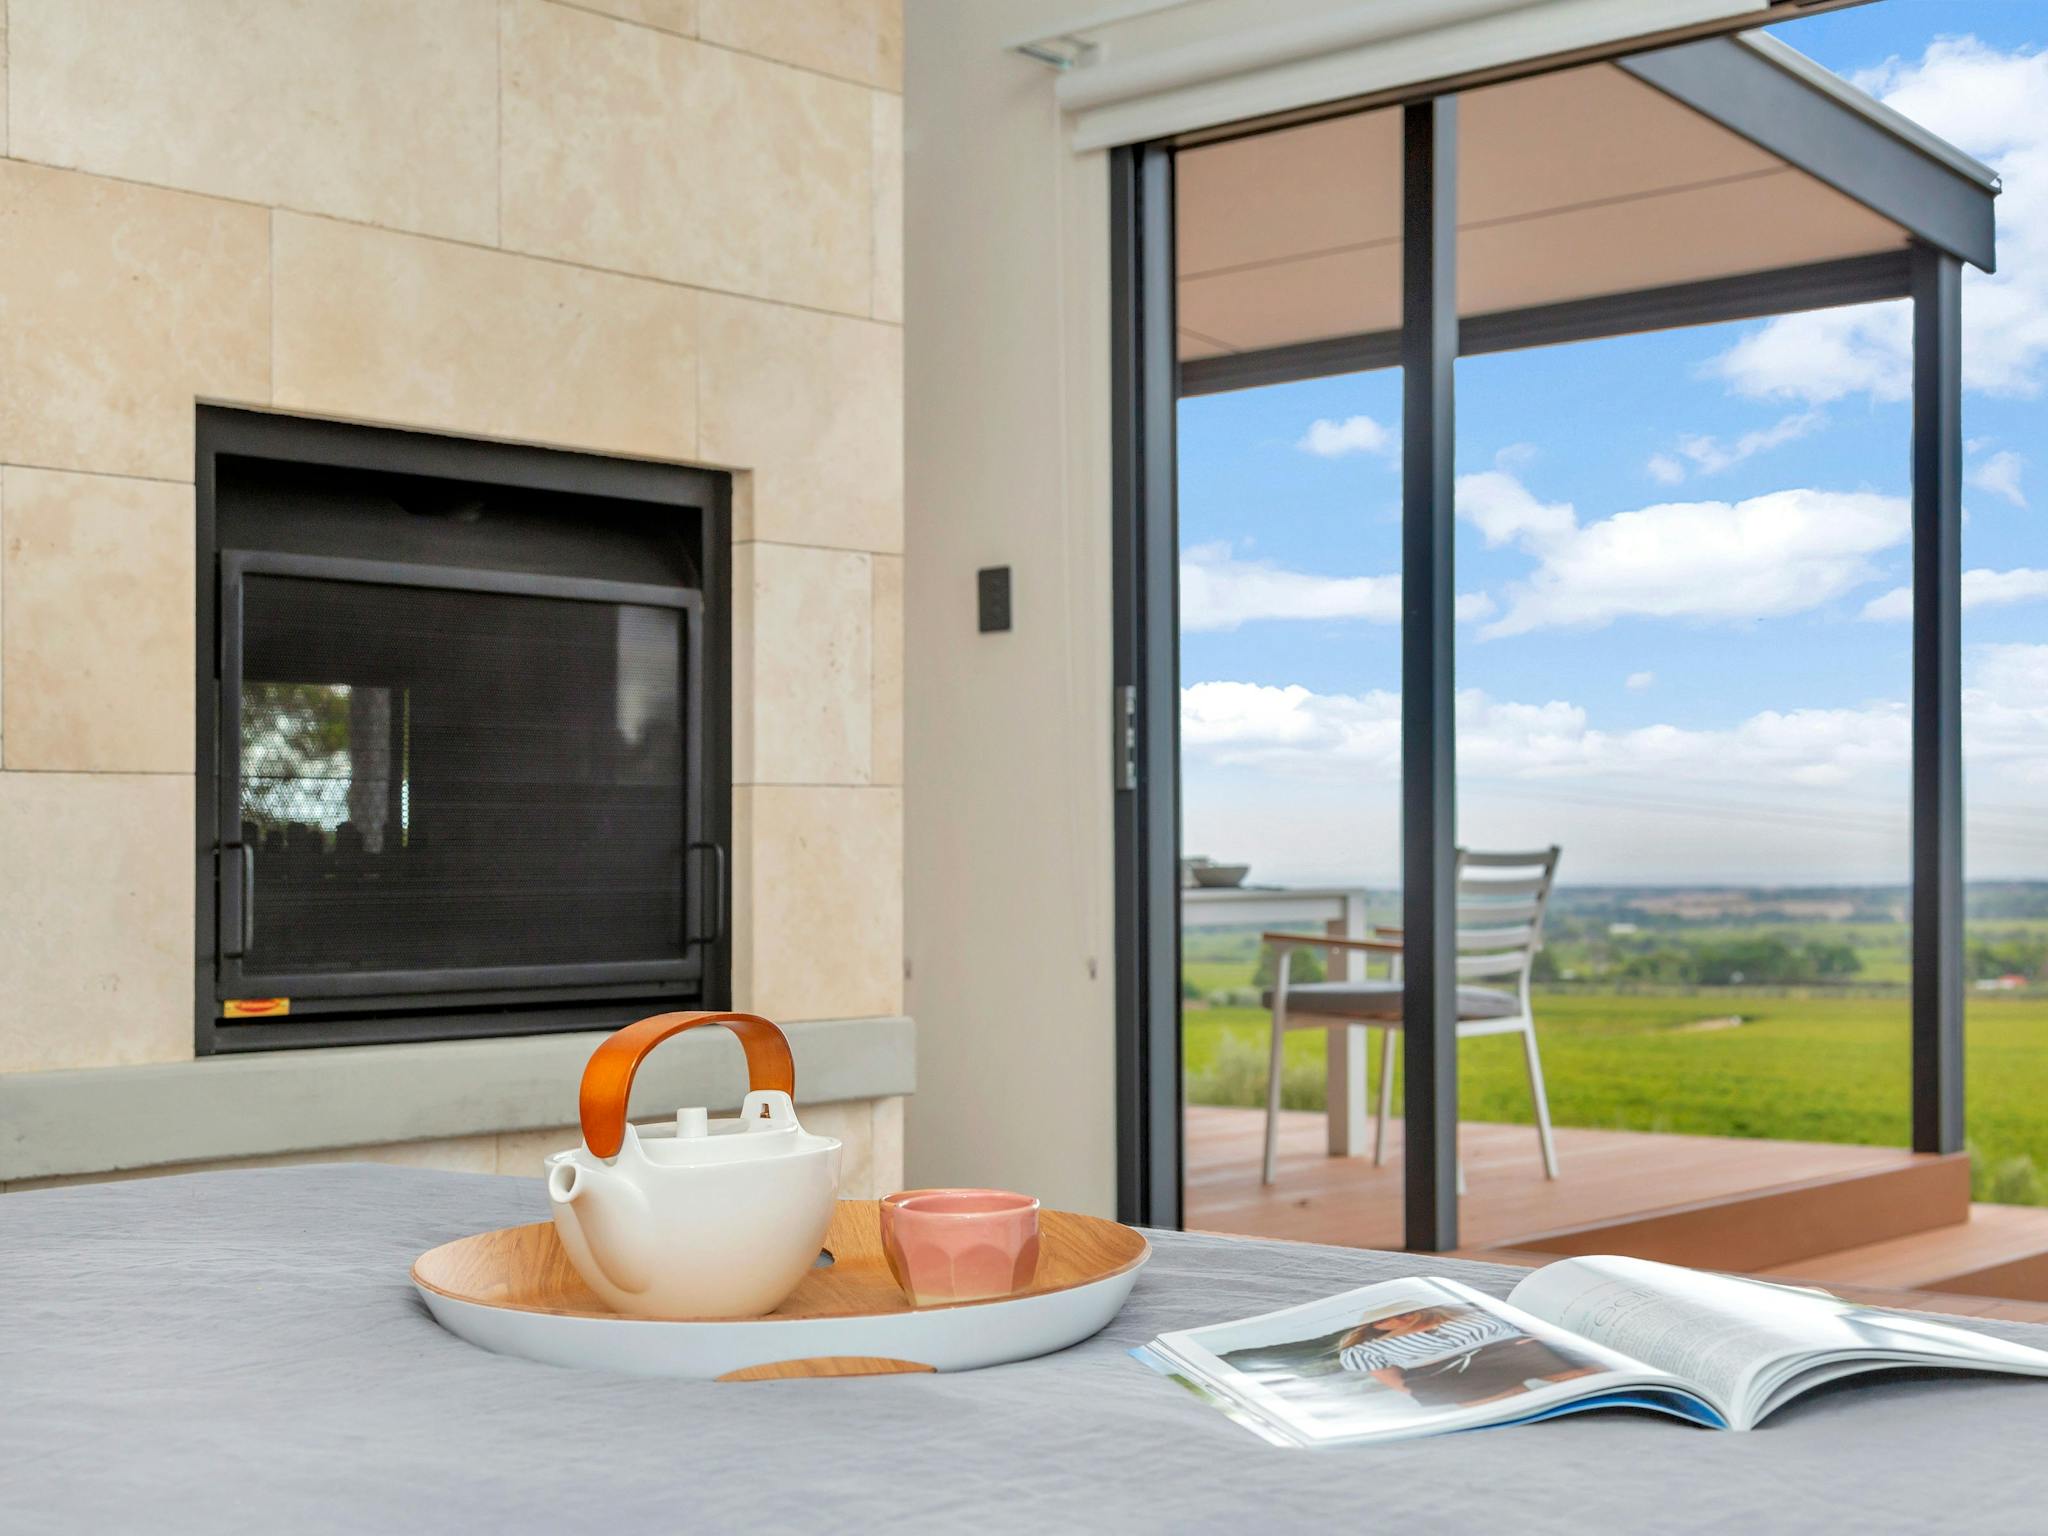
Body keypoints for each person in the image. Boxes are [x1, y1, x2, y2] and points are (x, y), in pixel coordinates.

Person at [1335, 1304, 1599, 1410]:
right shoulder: (1367, 1349)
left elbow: (1527, 1327)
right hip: (1442, 1371)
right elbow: (1395, 1381)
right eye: (1384, 1320)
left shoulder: (1469, 1315)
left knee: (1586, 1381)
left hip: (1512, 1349)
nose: (1397, 1319)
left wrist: (1547, 1340)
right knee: (1510, 1410)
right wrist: (1433, 1389)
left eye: (1404, 1312)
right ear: (1376, 1327)